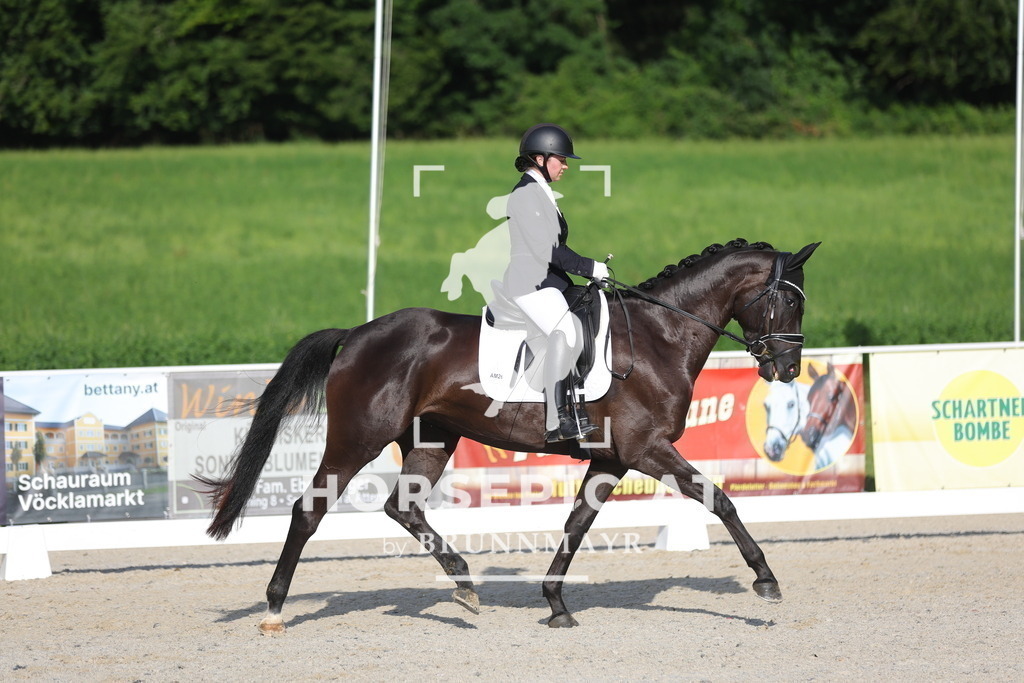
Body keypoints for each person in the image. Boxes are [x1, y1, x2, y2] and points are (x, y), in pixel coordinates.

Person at [497, 123, 609, 442]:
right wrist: (590, 267)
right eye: (561, 158)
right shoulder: (525, 195)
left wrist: (588, 273)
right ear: (540, 158)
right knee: (562, 330)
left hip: (549, 283)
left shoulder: (541, 192)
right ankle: (556, 420)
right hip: (529, 285)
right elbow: (547, 249)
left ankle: (579, 403)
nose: (566, 165)